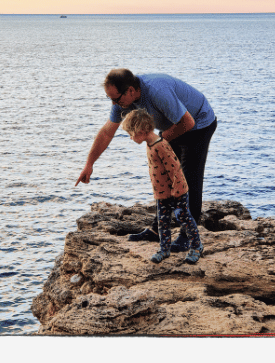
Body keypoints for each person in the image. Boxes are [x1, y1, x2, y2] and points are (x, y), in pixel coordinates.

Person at [75, 68, 217, 252]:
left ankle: (187, 237)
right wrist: (89, 164)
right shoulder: (123, 101)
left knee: (187, 179)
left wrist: (161, 139)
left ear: (131, 91)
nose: (114, 103)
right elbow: (106, 132)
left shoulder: (157, 91)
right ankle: (158, 230)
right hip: (175, 125)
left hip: (198, 124)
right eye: (110, 99)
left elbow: (187, 122)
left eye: (116, 99)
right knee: (164, 178)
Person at [121, 109, 203, 263]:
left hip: (176, 191)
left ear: (143, 131)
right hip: (162, 192)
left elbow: (175, 168)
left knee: (184, 218)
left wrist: (177, 191)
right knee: (163, 221)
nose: (131, 138)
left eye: (132, 134)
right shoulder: (149, 143)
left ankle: (196, 246)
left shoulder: (161, 146)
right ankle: (164, 249)